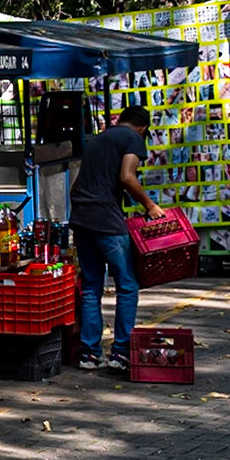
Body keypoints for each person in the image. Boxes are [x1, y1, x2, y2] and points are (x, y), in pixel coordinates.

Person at [68, 104, 165, 373]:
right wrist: (150, 205)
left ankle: (89, 354)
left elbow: (80, 182)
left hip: (82, 218)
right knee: (127, 286)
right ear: (143, 128)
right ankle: (120, 353)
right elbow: (127, 176)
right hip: (106, 222)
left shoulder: (99, 138)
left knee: (91, 288)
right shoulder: (132, 138)